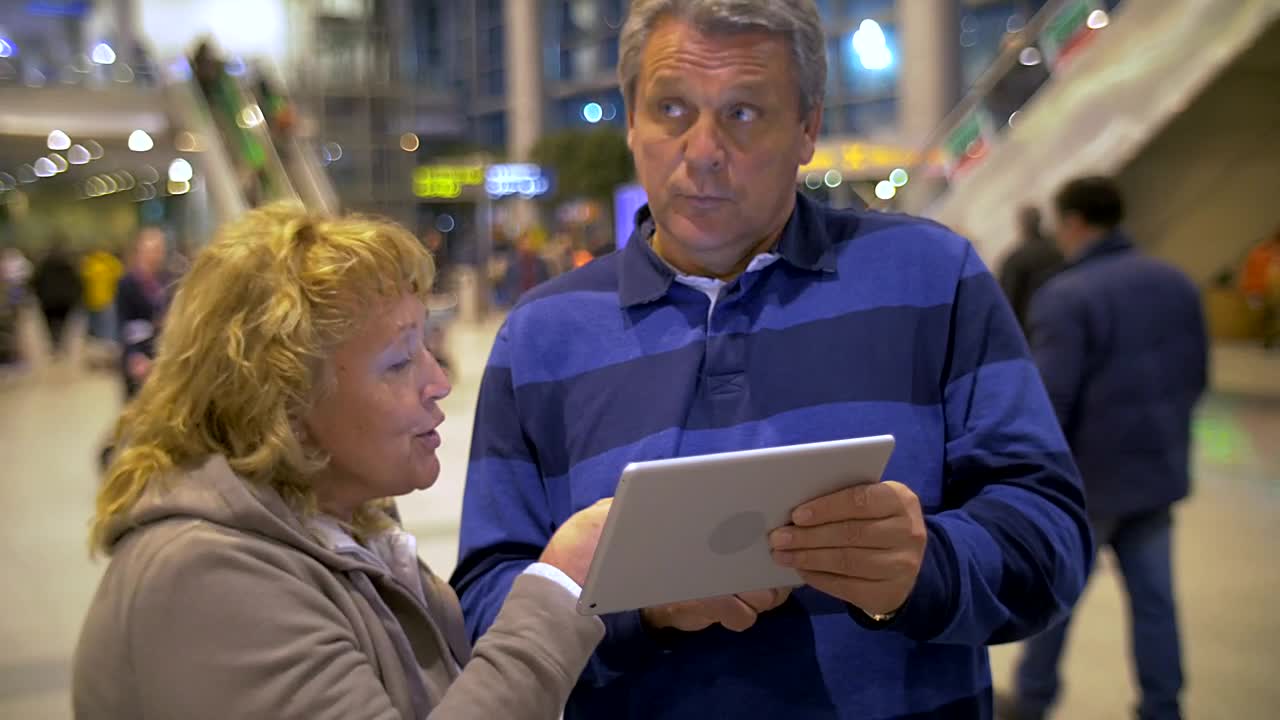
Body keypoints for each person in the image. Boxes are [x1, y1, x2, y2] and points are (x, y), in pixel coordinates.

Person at [451, 1, 1092, 718]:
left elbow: (1053, 535)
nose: (702, 149)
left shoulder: (931, 279)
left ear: (808, 128)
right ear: (631, 120)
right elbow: (481, 607)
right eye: (670, 108)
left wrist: (928, 567)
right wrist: (636, 608)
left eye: (745, 112)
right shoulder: (543, 336)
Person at [73, 203, 613, 719]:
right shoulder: (206, 582)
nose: (439, 383)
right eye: (400, 362)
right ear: (284, 399)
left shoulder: (340, 527)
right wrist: (556, 593)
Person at [1005, 177, 1208, 720]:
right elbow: (1196, 374)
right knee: (1156, 604)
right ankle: (1163, 707)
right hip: (1157, 473)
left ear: (1072, 222)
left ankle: (1032, 698)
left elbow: (1049, 400)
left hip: (1088, 484)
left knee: (1058, 597)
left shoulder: (1067, 295)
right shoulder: (1176, 281)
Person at [115, 227, 169, 398]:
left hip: (163, 354)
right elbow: (125, 323)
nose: (155, 255)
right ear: (140, 251)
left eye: (159, 250)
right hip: (137, 354)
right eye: (151, 250)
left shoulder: (168, 281)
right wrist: (134, 355)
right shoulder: (128, 284)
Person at [998, 206, 1063, 333]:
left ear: (1021, 226)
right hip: (1065, 315)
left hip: (1034, 327)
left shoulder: (1014, 260)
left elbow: (1009, 301)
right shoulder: (1059, 247)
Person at [31, 236, 83, 356]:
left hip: (48, 300)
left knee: (51, 324)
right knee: (63, 324)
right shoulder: (69, 265)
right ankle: (60, 343)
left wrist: (38, 295)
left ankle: (55, 343)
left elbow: (35, 282)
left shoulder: (44, 265)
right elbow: (77, 282)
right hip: (64, 301)